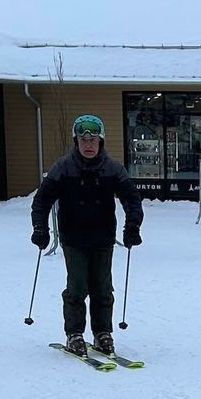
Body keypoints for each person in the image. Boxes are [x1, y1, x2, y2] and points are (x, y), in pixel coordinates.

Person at [30, 115, 143, 355]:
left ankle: (103, 332)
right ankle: (74, 333)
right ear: (76, 142)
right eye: (83, 140)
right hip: (73, 237)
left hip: (103, 237)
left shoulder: (113, 168)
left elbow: (131, 199)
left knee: (103, 288)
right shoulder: (63, 167)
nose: (88, 145)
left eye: (93, 140)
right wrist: (40, 228)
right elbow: (42, 200)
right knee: (77, 287)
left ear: (101, 142)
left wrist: (132, 226)